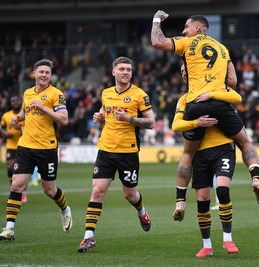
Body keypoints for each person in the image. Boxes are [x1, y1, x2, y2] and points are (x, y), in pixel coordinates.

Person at [151, 10, 259, 208]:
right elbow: (232, 81)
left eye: (186, 27)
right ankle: (256, 178)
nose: (184, 30)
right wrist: (213, 82)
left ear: (197, 28)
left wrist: (156, 20)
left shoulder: (188, 43)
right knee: (244, 142)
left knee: (188, 154)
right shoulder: (222, 49)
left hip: (195, 104)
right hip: (220, 104)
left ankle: (180, 201)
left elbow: (157, 41)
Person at [77, 56, 155, 253]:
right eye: (122, 69)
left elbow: (151, 122)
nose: (126, 72)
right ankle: (88, 236)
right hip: (106, 150)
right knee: (97, 191)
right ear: (113, 72)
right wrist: (100, 115)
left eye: (129, 69)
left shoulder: (139, 95)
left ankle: (142, 211)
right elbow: (105, 109)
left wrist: (129, 118)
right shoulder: (106, 93)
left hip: (128, 153)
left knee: (130, 195)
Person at [0, 59, 72, 241]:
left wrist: (43, 107)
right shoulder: (28, 93)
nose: (44, 75)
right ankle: (9, 228)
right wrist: (18, 119)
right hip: (25, 146)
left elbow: (63, 120)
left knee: (49, 190)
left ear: (50, 75)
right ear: (34, 73)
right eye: (41, 72)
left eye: (47, 73)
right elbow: (26, 113)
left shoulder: (56, 94)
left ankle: (65, 209)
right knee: (16, 185)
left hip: (46, 148)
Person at [171, 88, 241, 257]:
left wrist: (211, 95)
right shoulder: (184, 99)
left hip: (223, 148)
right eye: (183, 71)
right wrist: (197, 123)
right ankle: (207, 246)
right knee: (202, 199)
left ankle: (228, 239)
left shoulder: (219, 90)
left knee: (222, 189)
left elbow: (237, 97)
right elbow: (176, 125)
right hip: (200, 154)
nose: (185, 73)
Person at [0, 95, 28, 203]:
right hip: (11, 146)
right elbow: (1, 127)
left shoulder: (26, 115)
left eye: (17, 100)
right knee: (10, 167)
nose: (15, 102)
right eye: (13, 100)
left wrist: (20, 128)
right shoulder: (6, 115)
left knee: (22, 171)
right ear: (10, 103)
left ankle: (23, 192)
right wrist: (5, 134)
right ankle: (14, 189)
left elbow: (31, 128)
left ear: (21, 102)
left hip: (23, 145)